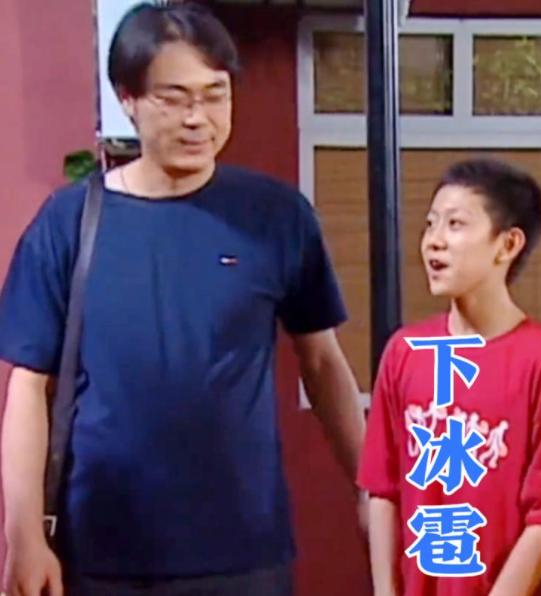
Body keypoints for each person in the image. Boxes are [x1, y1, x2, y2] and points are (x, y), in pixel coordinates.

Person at [0, 4, 364, 595]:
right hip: (101, 553)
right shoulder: (69, 224)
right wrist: (23, 535)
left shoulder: (276, 216)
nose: (198, 118)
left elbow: (323, 364)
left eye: (215, 95)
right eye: (173, 99)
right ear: (128, 99)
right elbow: (27, 387)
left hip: (244, 552)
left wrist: (372, 489)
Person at [357, 158, 541, 595]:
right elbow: (382, 489)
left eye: (456, 224)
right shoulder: (404, 352)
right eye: (431, 224)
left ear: (507, 244)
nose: (434, 241)